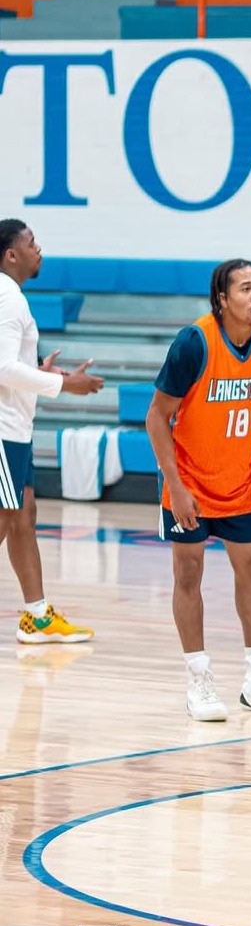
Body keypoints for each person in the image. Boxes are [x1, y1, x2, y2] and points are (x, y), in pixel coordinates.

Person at [145, 259, 251, 722]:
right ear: (222, 299)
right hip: (189, 480)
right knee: (188, 574)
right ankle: (198, 679)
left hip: (239, 479)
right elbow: (157, 417)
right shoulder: (194, 343)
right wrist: (175, 486)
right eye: (246, 289)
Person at [0, 219, 103, 645]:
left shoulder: (12, 297)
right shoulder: (6, 298)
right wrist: (64, 384)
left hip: (16, 427)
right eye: (31, 243)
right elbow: (3, 368)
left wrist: (41, 373)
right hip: (3, 430)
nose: (38, 249)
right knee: (6, 518)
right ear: (10, 254)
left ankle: (37, 616)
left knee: (24, 515)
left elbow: (13, 367)